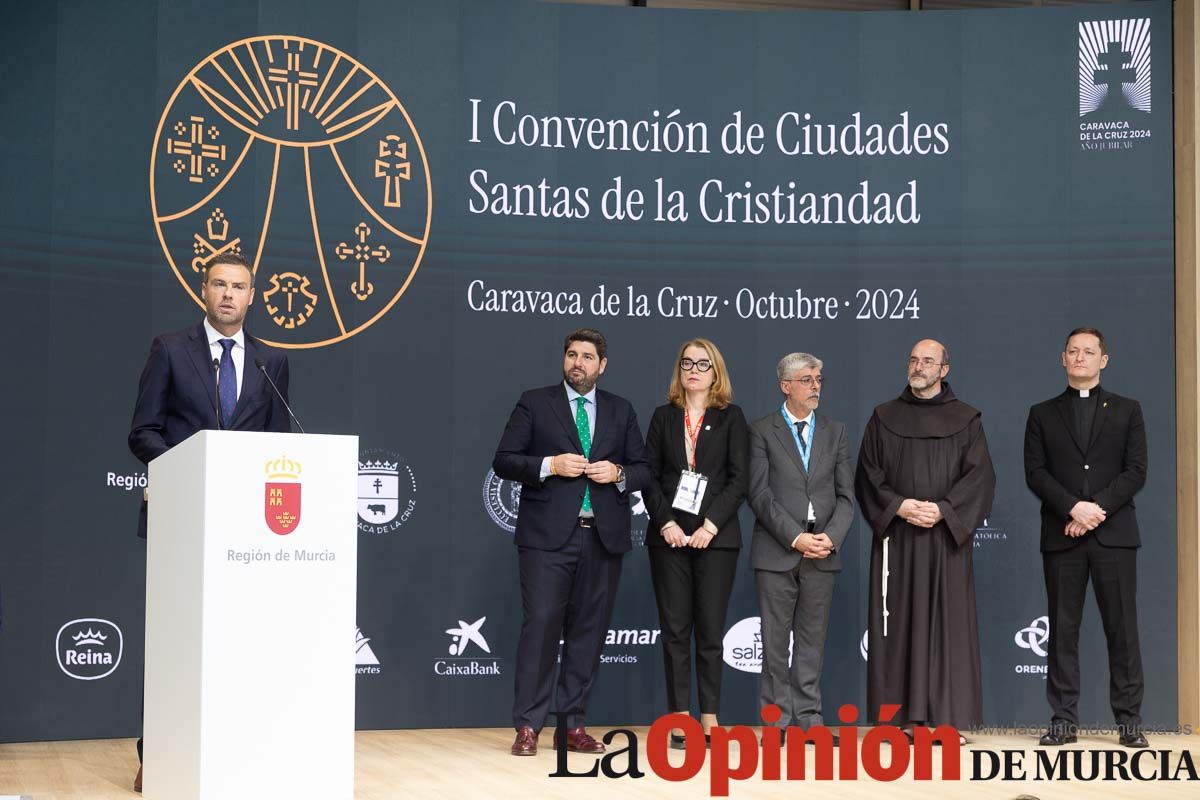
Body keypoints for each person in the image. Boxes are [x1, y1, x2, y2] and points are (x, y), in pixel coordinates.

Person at [127, 252, 291, 791]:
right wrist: (187, 466)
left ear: (252, 296)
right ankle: (160, 756)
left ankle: (233, 753)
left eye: (238, 286)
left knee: (240, 647)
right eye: (218, 284)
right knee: (176, 646)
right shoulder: (171, 350)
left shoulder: (272, 359)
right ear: (204, 290)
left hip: (248, 532)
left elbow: (279, 445)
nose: (227, 294)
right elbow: (144, 431)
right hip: (182, 521)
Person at [493, 328, 649, 757]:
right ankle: (528, 726)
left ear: (602, 365)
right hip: (547, 540)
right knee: (541, 628)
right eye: (571, 355)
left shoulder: (621, 409)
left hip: (602, 538)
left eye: (586, 356)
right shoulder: (535, 402)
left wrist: (617, 474)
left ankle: (572, 726)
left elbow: (643, 469)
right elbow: (504, 460)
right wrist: (549, 464)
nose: (577, 362)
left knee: (589, 634)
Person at [855, 339, 994, 738]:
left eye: (928, 361)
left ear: (944, 370)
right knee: (897, 625)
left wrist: (945, 509)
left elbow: (980, 477)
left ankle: (949, 720)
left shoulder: (967, 420)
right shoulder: (884, 417)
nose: (918, 366)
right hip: (898, 538)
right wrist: (898, 505)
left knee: (948, 626)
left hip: (945, 540)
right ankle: (900, 720)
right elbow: (869, 473)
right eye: (913, 359)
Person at [1024, 327, 1148, 748]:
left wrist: (1094, 509)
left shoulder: (1128, 410)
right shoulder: (1041, 412)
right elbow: (1036, 473)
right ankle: (1063, 721)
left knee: (1123, 631)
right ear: (1063, 359)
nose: (1080, 357)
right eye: (1073, 351)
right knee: (1062, 630)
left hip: (1114, 536)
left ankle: (1130, 722)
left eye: (1088, 351)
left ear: (1103, 360)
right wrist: (1072, 508)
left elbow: (1136, 471)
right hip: (1063, 535)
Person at [642, 339, 749, 748]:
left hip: (715, 540)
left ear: (715, 372)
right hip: (667, 538)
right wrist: (666, 522)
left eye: (703, 364)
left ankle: (709, 718)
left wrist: (710, 526)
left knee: (709, 631)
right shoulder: (663, 417)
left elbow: (739, 479)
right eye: (687, 362)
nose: (694, 369)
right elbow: (649, 476)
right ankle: (679, 718)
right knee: (674, 631)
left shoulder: (731, 418)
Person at [747, 352, 854, 741]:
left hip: (824, 549)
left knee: (812, 642)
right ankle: (775, 722)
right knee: (775, 645)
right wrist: (795, 537)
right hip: (779, 550)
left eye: (819, 379)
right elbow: (759, 495)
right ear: (785, 385)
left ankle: (809, 720)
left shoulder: (836, 430)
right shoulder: (762, 430)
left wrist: (832, 537)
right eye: (807, 380)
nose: (815, 387)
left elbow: (846, 496)